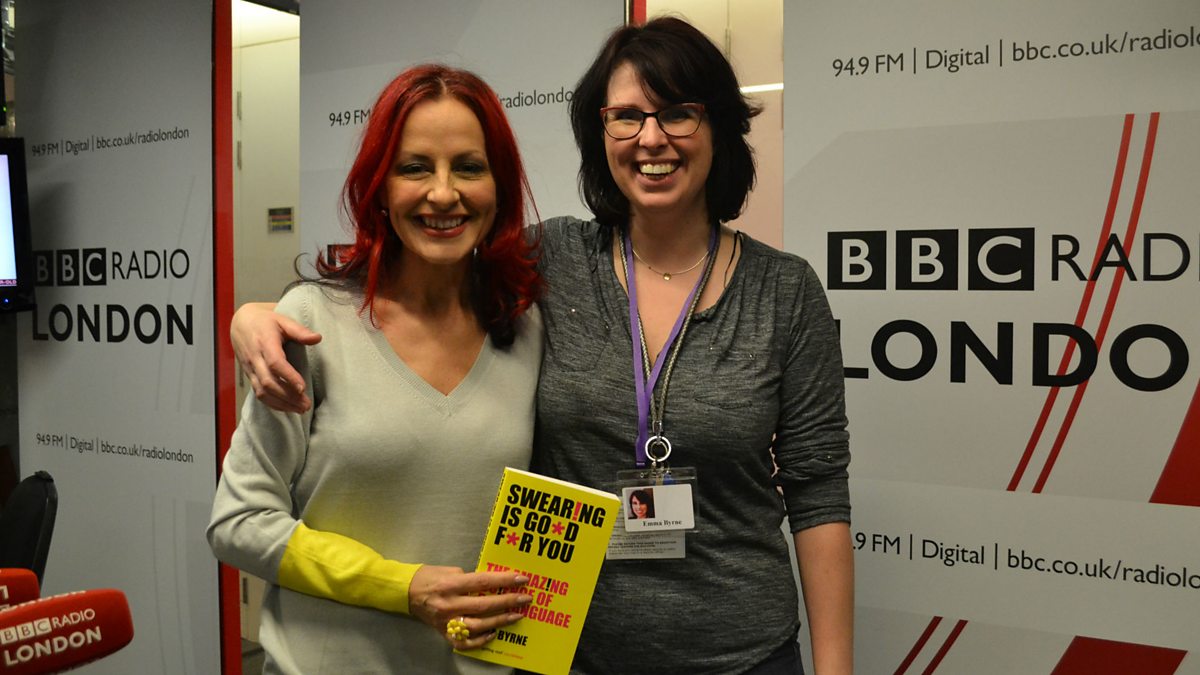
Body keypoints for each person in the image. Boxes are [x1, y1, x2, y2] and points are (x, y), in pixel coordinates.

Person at [232, 17, 853, 675]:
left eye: (677, 113)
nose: (651, 138)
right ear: (600, 133)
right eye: (626, 116)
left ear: (718, 128)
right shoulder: (547, 261)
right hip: (567, 654)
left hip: (743, 656)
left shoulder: (785, 291)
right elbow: (410, 284)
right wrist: (256, 314)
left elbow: (818, 493)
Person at [208, 64, 545, 674]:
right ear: (380, 188)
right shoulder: (310, 325)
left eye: (468, 167)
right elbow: (238, 522)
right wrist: (405, 588)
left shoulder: (526, 328)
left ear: (499, 186)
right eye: (415, 167)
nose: (444, 194)